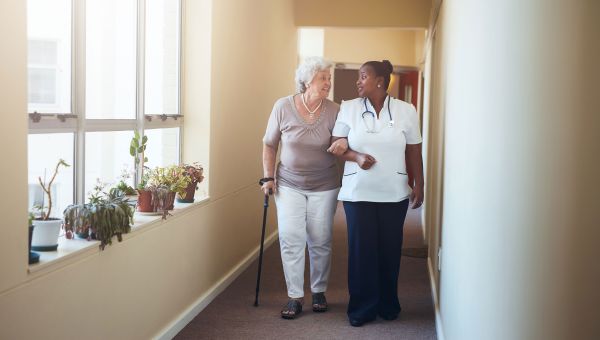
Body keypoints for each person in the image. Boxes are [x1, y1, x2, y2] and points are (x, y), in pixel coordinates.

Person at [328, 60, 424, 327]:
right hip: (358, 193)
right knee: (361, 252)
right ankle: (361, 308)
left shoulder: (406, 110)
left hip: (394, 192)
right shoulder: (348, 108)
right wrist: (356, 156)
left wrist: (419, 184)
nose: (358, 81)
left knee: (389, 251)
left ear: (380, 80)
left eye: (363, 76)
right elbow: (335, 145)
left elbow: (414, 149)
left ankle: (387, 304)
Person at [261, 56, 347, 319]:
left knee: (320, 239)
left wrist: (342, 142)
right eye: (324, 78)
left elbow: (340, 138)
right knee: (290, 238)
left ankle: (319, 291)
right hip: (289, 184)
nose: (328, 83)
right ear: (308, 80)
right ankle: (295, 296)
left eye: (329, 78)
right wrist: (268, 177)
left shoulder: (334, 110)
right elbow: (269, 143)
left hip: (325, 184)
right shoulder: (283, 106)